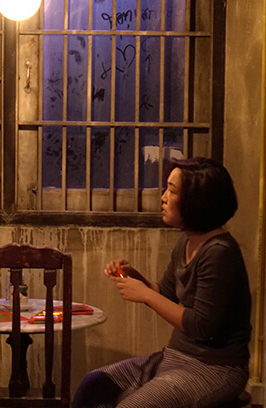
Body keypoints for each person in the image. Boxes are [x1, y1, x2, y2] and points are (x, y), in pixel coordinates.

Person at [73, 158, 251, 408]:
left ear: (197, 201)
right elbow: (165, 292)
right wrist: (133, 276)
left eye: (172, 190)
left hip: (215, 369)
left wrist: (145, 294)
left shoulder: (219, 252)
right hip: (175, 357)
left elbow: (201, 326)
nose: (163, 197)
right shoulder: (187, 241)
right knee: (94, 384)